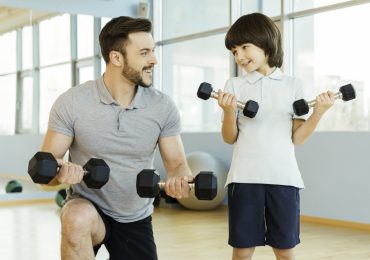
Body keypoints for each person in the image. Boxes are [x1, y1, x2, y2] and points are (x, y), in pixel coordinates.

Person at [41, 16, 193, 260]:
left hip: (135, 215)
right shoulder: (72, 102)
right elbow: (46, 171)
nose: (153, 59)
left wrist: (179, 179)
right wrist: (60, 173)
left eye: (152, 51)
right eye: (144, 53)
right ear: (116, 58)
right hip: (88, 206)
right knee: (75, 217)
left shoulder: (162, 107)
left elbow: (177, 164)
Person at [217, 13, 335, 260]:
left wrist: (319, 113)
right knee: (241, 250)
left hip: (284, 177)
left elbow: (298, 139)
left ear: (265, 42)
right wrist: (229, 112)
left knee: (285, 250)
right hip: (244, 177)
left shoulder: (293, 85)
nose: (239, 56)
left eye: (244, 48)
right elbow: (229, 138)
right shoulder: (234, 85)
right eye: (234, 51)